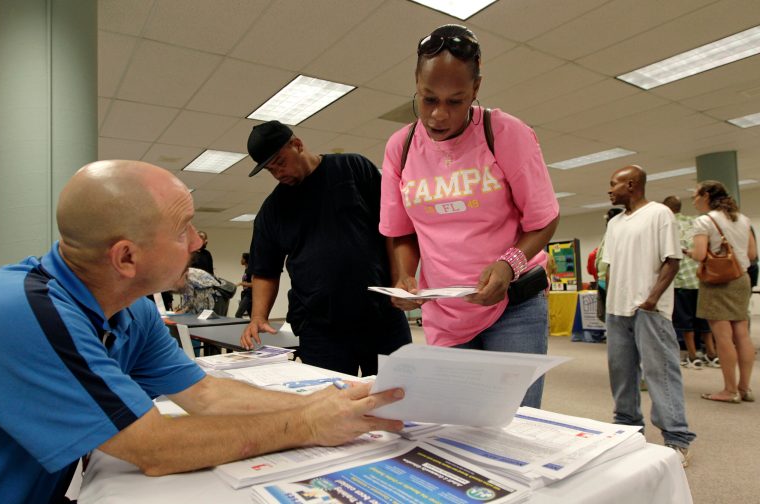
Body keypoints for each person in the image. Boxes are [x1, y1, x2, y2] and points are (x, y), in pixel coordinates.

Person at [0, 160, 405, 503]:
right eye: (182, 229)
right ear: (126, 257)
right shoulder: (24, 311)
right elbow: (152, 446)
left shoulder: (132, 310)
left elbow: (205, 394)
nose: (195, 241)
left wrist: (319, 403)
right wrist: (307, 425)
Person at [379, 24, 560, 408]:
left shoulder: (506, 133)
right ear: (416, 82)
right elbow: (400, 231)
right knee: (457, 420)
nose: (439, 115)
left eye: (455, 101)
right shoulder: (401, 147)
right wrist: (406, 276)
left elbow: (544, 218)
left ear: (476, 89)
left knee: (514, 420)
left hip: (514, 305)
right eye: (428, 99)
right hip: (446, 312)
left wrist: (509, 264)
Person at [240, 121, 412, 376]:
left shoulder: (353, 168)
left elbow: (392, 227)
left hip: (382, 315)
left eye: (280, 162)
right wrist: (258, 317)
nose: (277, 173)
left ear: (297, 144)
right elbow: (265, 270)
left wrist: (401, 278)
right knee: (330, 405)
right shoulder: (272, 211)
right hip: (321, 327)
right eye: (270, 169)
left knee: (398, 394)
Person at [603, 165, 695, 467]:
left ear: (632, 185)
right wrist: (610, 305)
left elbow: (672, 260)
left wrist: (652, 299)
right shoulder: (615, 222)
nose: (610, 190)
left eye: (614, 184)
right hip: (617, 311)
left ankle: (677, 439)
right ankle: (629, 431)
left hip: (649, 309)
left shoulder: (659, 214)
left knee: (661, 374)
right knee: (622, 375)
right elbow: (612, 267)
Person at [687, 180, 757, 403]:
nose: (694, 200)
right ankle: (744, 388)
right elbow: (752, 254)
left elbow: (699, 255)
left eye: (695, 195)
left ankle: (729, 390)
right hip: (741, 279)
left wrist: (687, 252)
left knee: (723, 338)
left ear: (706, 195)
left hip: (717, 281)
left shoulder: (704, 221)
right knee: (742, 335)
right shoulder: (742, 219)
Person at [661, 195, 717, 369]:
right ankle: (712, 354)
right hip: (701, 278)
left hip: (681, 280)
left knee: (685, 321)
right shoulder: (694, 221)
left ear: (666, 209)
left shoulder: (666, 227)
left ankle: (693, 356)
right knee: (704, 319)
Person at [594, 207, 623, 322]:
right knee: (604, 314)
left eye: (610, 218)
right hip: (602, 279)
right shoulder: (607, 234)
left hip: (612, 280)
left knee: (614, 315)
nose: (608, 221)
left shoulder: (620, 234)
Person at [235, 252, 253, 318]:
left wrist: (241, 283)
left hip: (250, 295)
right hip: (245, 294)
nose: (241, 260)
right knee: (252, 316)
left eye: (242, 258)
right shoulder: (246, 270)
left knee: (238, 314)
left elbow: (254, 284)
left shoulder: (251, 270)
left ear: (245, 260)